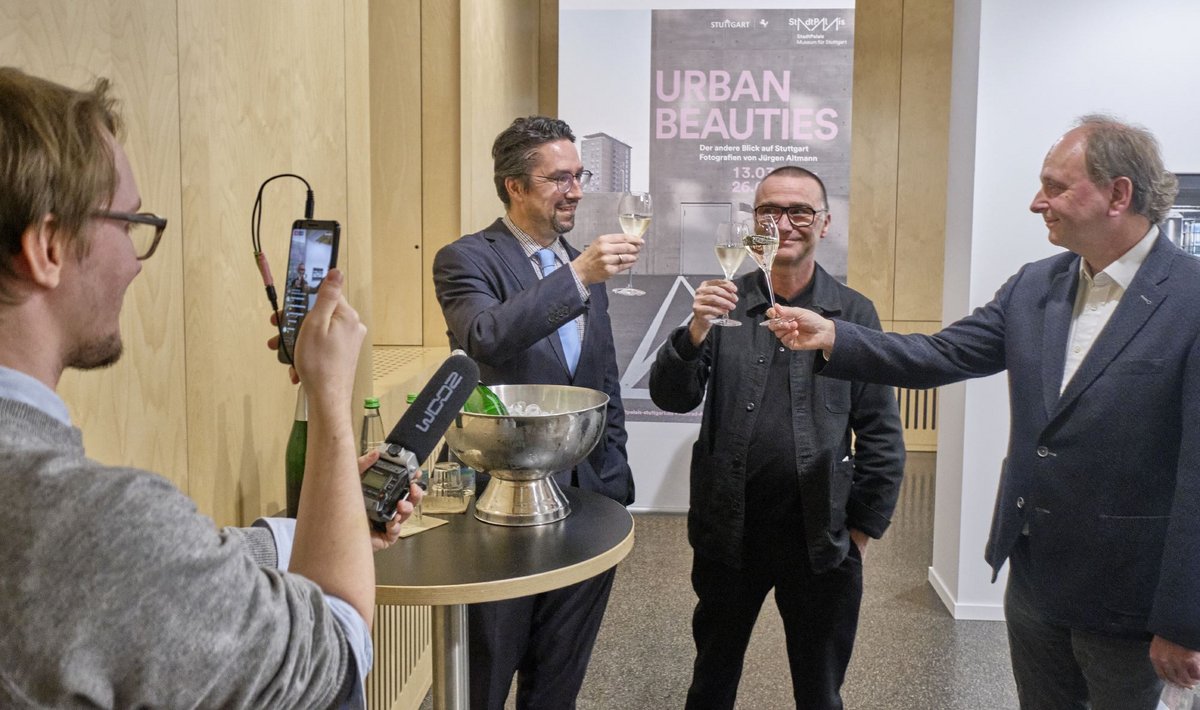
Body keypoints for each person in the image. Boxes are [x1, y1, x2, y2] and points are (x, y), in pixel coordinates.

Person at [0, 68, 421, 708]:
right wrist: (329, 396)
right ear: (48, 247)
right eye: (130, 222)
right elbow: (333, 655)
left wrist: (325, 520)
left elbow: (163, 573)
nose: (136, 263)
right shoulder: (97, 523)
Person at [769, 115, 1200, 709]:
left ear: (1118, 194)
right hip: (1034, 577)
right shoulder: (1034, 285)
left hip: (1129, 591)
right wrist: (833, 337)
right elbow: (940, 354)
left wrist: (1184, 616)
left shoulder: (1192, 299)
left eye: (1054, 186)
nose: (1035, 202)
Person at [647, 166, 906, 709]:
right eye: (768, 211)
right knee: (711, 681)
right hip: (729, 533)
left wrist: (860, 532)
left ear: (824, 224)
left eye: (799, 212)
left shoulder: (854, 313)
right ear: (751, 225)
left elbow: (880, 431)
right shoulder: (724, 304)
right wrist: (693, 331)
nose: (783, 223)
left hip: (820, 540)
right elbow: (673, 396)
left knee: (819, 690)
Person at [432, 115, 641, 709]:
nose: (575, 190)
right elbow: (484, 335)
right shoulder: (466, 258)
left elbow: (602, 382)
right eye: (559, 179)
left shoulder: (584, 270)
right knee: (487, 674)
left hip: (587, 502)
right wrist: (576, 276)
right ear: (515, 186)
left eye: (580, 175)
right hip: (499, 507)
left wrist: (615, 486)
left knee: (559, 679)